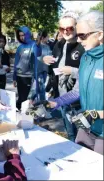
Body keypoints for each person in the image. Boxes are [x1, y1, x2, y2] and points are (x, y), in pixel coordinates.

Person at [48, 11, 103, 155]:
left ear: (100, 35)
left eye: (82, 35)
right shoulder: (85, 58)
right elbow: (77, 91)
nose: (78, 40)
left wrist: (96, 114)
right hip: (86, 128)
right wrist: (55, 103)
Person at [43, 11, 85, 142]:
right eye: (62, 29)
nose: (66, 32)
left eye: (70, 28)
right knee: (70, 134)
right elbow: (53, 69)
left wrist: (72, 71)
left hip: (78, 102)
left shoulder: (83, 46)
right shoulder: (59, 45)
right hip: (62, 98)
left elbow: (89, 73)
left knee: (82, 136)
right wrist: (44, 60)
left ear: (76, 27)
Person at [13, 26, 41, 110]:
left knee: (27, 98)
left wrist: (38, 45)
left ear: (28, 34)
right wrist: (14, 77)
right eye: (20, 35)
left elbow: (38, 54)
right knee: (21, 96)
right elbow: (16, 63)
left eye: (23, 35)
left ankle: (26, 115)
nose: (22, 37)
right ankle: (19, 112)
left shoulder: (34, 45)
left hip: (29, 76)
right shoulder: (20, 47)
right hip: (19, 76)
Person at [28, 30, 51, 102]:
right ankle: (42, 102)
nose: (48, 38)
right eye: (47, 36)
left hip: (45, 69)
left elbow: (50, 55)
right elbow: (33, 56)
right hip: (38, 70)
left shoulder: (47, 46)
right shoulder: (37, 46)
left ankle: (31, 99)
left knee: (39, 87)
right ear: (43, 38)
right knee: (42, 87)